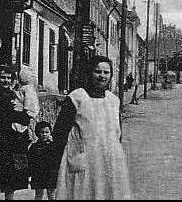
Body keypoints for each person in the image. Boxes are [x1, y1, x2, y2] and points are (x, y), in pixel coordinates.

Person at [52, 55, 132, 200]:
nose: (102, 76)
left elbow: (117, 133)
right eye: (97, 71)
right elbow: (60, 133)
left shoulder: (113, 100)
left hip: (109, 161)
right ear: (90, 73)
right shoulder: (76, 98)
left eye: (106, 72)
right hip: (84, 160)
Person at [0, 64, 31, 200]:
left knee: (11, 181)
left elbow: (25, 119)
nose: (6, 80)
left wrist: (20, 114)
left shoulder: (14, 95)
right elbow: (1, 117)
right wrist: (16, 113)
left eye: (9, 78)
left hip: (14, 142)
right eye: (3, 77)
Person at [28, 121, 57, 201]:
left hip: (51, 174)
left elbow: (56, 160)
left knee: (52, 194)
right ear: (37, 133)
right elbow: (30, 160)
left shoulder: (53, 146)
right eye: (42, 132)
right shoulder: (34, 147)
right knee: (38, 194)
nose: (44, 134)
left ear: (50, 133)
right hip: (38, 174)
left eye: (47, 132)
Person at [12, 68, 39, 141]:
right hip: (24, 116)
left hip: (20, 115)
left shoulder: (23, 88)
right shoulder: (28, 89)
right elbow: (30, 105)